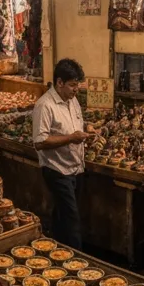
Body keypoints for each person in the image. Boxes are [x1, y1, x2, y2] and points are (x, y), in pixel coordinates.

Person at [33, 59, 90, 249]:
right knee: (72, 218)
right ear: (59, 83)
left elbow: (76, 125)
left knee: (63, 214)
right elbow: (40, 141)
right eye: (72, 85)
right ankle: (80, 263)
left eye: (77, 85)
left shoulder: (72, 101)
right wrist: (71, 138)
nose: (76, 90)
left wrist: (87, 128)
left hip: (75, 167)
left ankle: (55, 249)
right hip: (57, 170)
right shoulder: (45, 105)